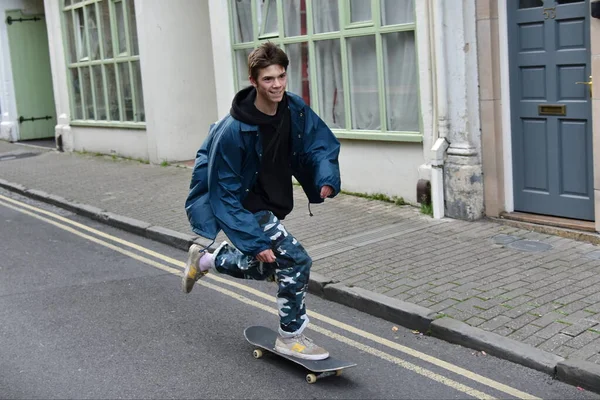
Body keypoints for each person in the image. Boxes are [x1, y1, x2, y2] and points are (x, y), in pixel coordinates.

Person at [182, 42, 341, 361]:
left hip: (271, 200)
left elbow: (318, 142)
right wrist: (253, 240)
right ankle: (291, 337)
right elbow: (223, 193)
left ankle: (206, 261)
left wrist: (325, 178)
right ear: (253, 81)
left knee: (267, 268)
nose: (278, 84)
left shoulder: (293, 108)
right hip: (244, 204)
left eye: (282, 76)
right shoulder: (233, 130)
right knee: (296, 260)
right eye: (269, 79)